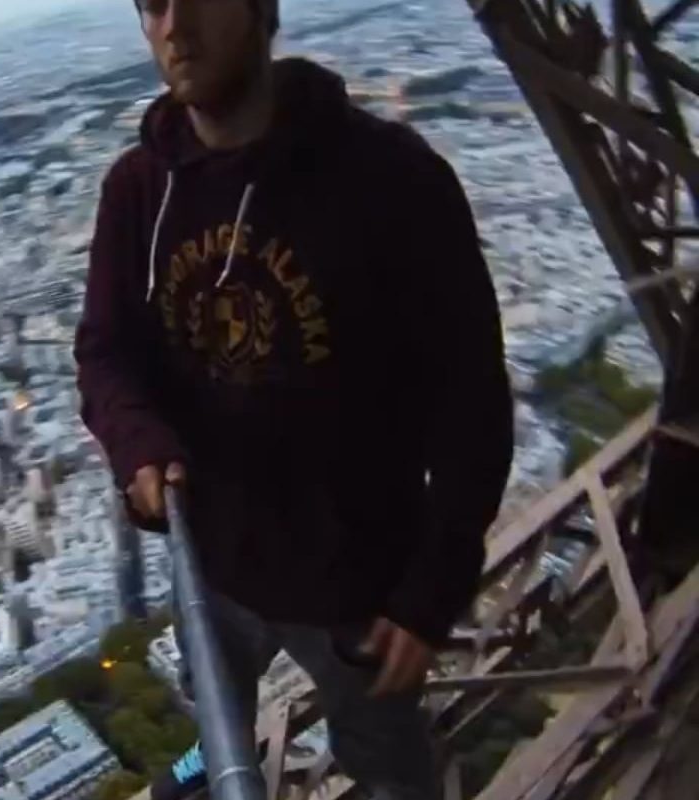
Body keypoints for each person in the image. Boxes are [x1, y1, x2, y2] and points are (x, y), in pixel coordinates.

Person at [75, 0, 514, 798]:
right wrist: (137, 442)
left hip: (358, 582)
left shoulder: (393, 180)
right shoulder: (138, 191)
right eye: (151, 4)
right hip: (212, 555)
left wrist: (433, 588)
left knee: (387, 763)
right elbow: (105, 351)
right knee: (215, 713)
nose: (173, 26)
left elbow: (471, 399)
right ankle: (210, 756)